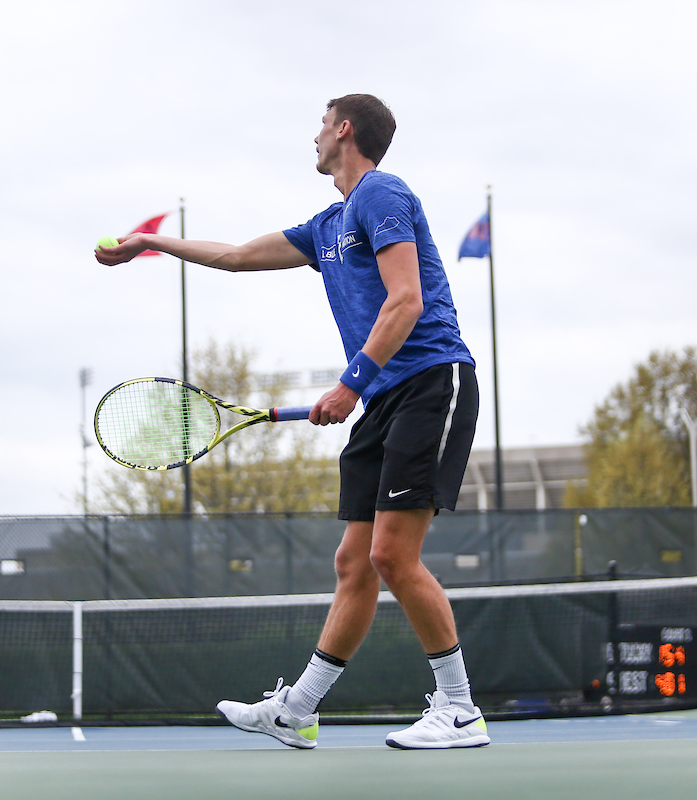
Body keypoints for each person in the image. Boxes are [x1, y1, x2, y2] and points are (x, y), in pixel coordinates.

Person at [95, 93, 487, 750]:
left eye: (320, 124)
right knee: (354, 564)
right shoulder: (329, 224)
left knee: (392, 555)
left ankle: (460, 709)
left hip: (429, 382)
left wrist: (349, 383)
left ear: (343, 129)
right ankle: (296, 711)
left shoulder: (382, 193)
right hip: (386, 396)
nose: (312, 138)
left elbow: (408, 301)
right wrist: (151, 241)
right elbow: (237, 255)